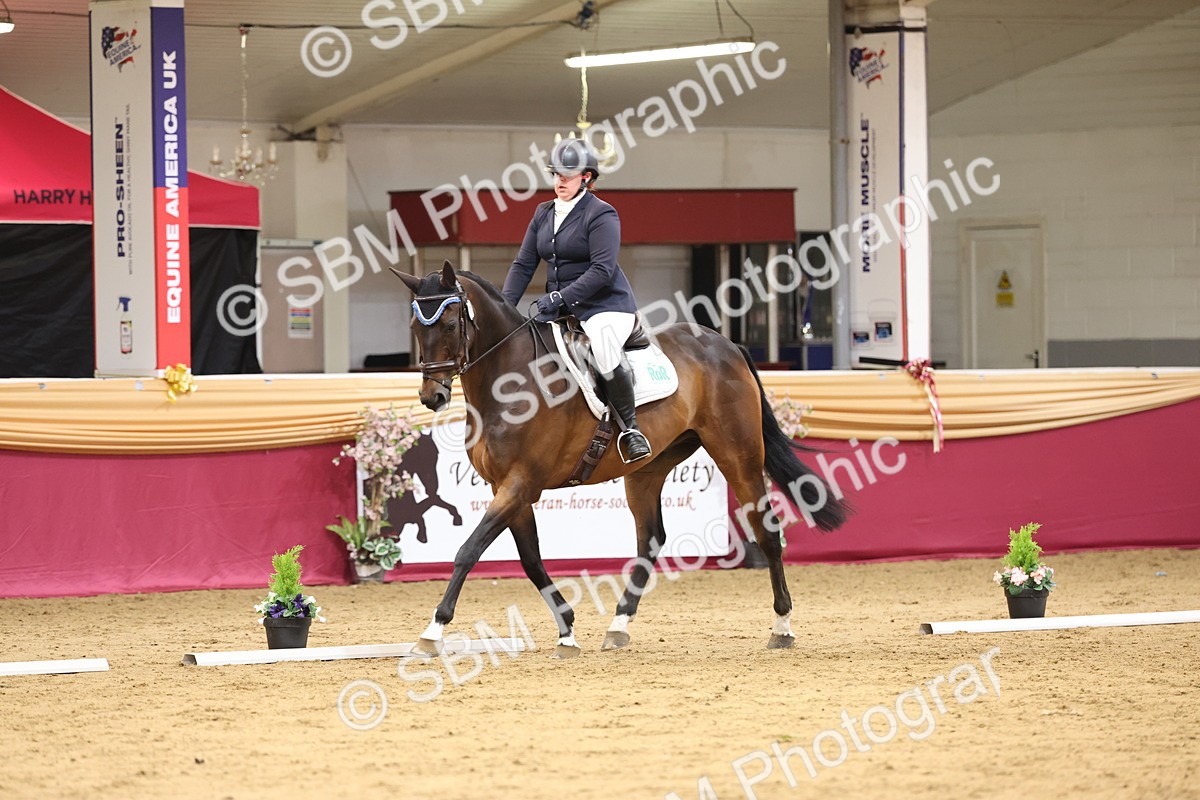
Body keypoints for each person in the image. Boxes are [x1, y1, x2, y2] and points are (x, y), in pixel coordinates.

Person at [501, 138, 651, 463]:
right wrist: (502, 308)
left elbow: (602, 269)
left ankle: (630, 429)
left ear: (586, 177)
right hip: (562, 308)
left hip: (606, 306)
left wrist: (559, 297)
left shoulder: (601, 214)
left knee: (603, 344)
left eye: (567, 176)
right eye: (556, 175)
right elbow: (524, 264)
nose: (559, 182)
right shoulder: (543, 212)